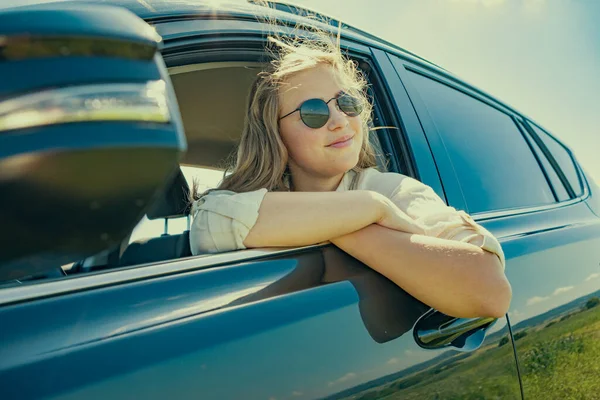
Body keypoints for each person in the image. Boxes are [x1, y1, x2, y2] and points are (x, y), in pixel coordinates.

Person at [189, 27, 511, 319]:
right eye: (313, 111)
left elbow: (489, 292)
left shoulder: (393, 191)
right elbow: (209, 222)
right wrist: (370, 210)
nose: (340, 120)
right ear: (275, 134)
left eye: (347, 102)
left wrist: (340, 223)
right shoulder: (374, 201)